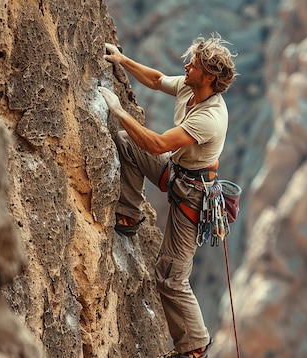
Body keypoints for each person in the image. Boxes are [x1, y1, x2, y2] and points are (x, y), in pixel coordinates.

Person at [98, 33, 236, 358]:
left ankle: (195, 345)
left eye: (195, 64)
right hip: (177, 175)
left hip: (192, 198)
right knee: (126, 143)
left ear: (210, 77)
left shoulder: (210, 117)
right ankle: (128, 214)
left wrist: (119, 110)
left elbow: (159, 145)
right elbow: (158, 79)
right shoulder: (191, 87)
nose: (187, 66)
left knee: (170, 277)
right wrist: (122, 60)